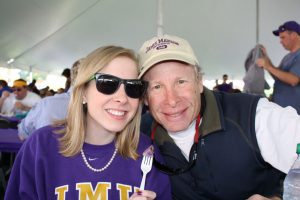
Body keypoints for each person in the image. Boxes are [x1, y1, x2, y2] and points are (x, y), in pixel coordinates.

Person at [138, 34, 300, 199]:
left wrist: (278, 198)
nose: (171, 100)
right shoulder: (137, 135)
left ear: (199, 81)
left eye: (181, 82)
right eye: (157, 87)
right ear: (144, 96)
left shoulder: (253, 116)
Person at [5, 45, 171, 200]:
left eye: (133, 87)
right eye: (108, 84)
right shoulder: (41, 146)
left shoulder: (147, 153)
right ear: (83, 91)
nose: (122, 98)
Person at [17, 59, 81, 140]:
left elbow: (23, 133)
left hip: (46, 151)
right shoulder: (98, 108)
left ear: (71, 78)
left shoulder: (46, 103)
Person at [256, 20, 300, 113]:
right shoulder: (287, 57)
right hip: (282, 110)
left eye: (283, 37)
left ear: (293, 35)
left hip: (294, 113)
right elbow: (278, 77)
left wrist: (268, 66)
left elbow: (293, 80)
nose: (280, 41)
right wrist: (266, 59)